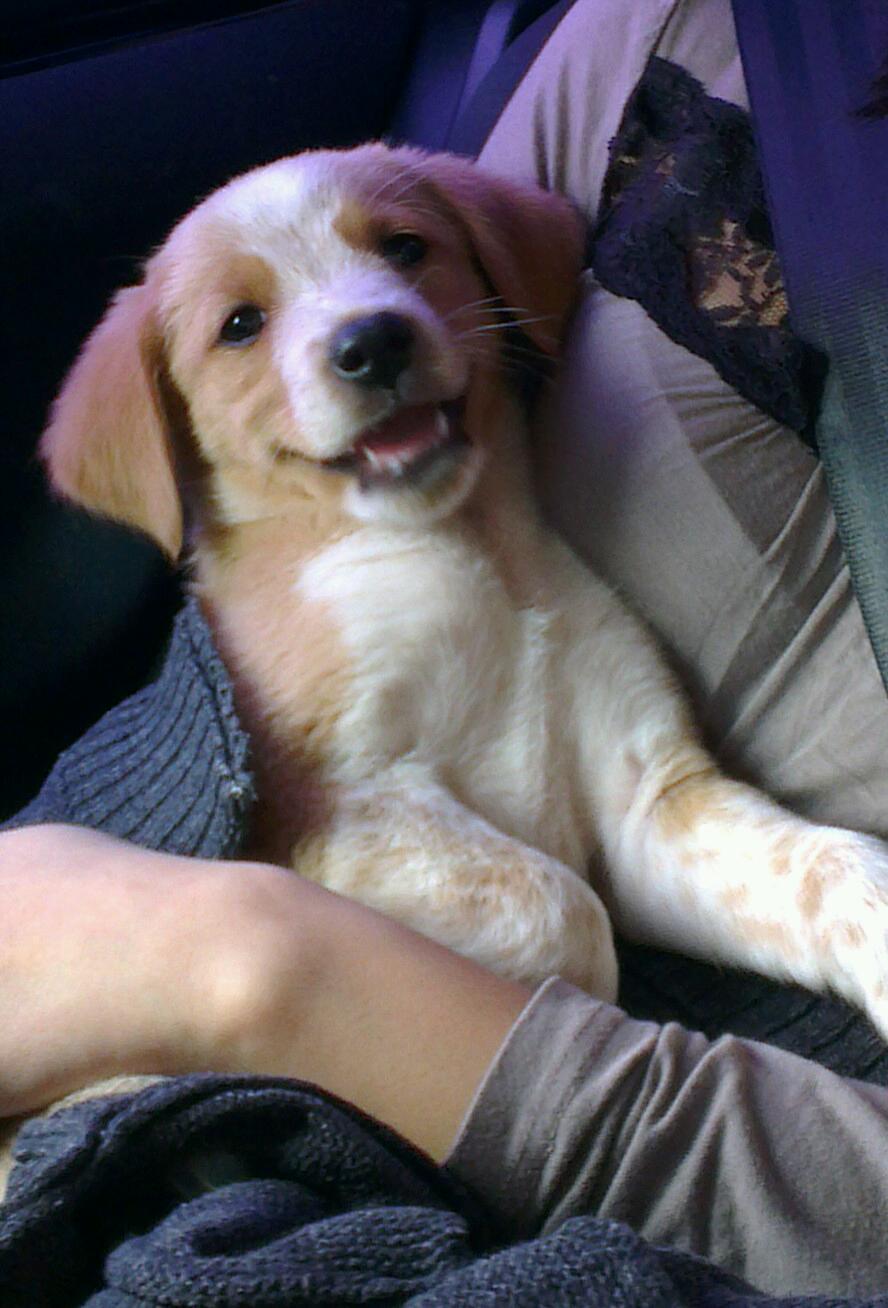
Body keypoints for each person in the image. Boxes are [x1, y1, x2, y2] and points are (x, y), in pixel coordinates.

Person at [3, 0, 888, 1302]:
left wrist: (859, 915)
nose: (358, 320)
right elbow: (318, 834)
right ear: (168, 432)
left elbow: (657, 810)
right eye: (242, 326)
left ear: (493, 277)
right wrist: (553, 927)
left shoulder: (538, 571)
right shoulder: (289, 613)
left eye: (403, 249)